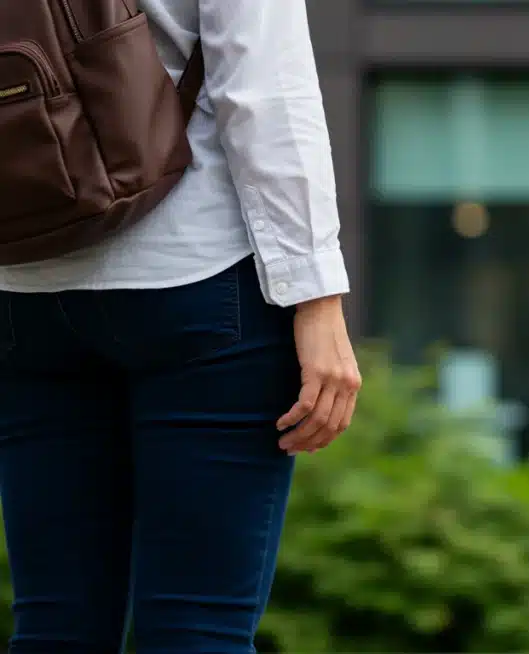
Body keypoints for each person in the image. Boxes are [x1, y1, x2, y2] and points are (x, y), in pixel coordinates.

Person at [0, 1, 361, 651]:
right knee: (198, 628)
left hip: (26, 288)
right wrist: (317, 298)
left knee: (55, 626)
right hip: (197, 278)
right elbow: (265, 88)